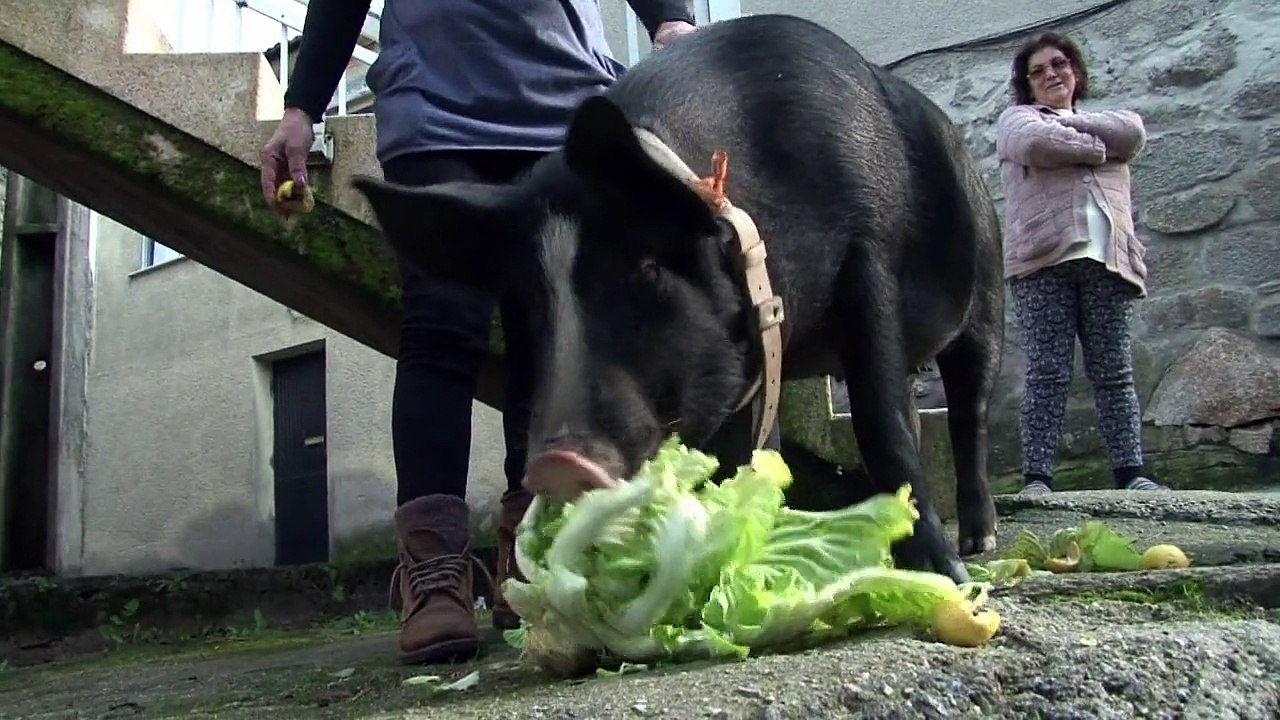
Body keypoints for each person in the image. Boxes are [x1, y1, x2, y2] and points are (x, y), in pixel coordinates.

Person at [258, 0, 698, 665]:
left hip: (566, 106)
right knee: (443, 320)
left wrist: (671, 20)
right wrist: (301, 108)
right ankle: (432, 570)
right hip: (435, 109)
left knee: (547, 330)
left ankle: (529, 546)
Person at [994, 32, 1167, 496]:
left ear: (1075, 71)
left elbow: (1133, 133)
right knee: (1048, 371)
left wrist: (1077, 135)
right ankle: (1037, 478)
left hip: (1108, 261)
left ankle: (1131, 473)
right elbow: (1034, 145)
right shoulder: (1017, 120)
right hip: (1041, 262)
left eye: (1060, 64)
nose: (1052, 74)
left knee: (1114, 371)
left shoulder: (1110, 121)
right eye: (1039, 70)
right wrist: (1097, 150)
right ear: (1027, 84)